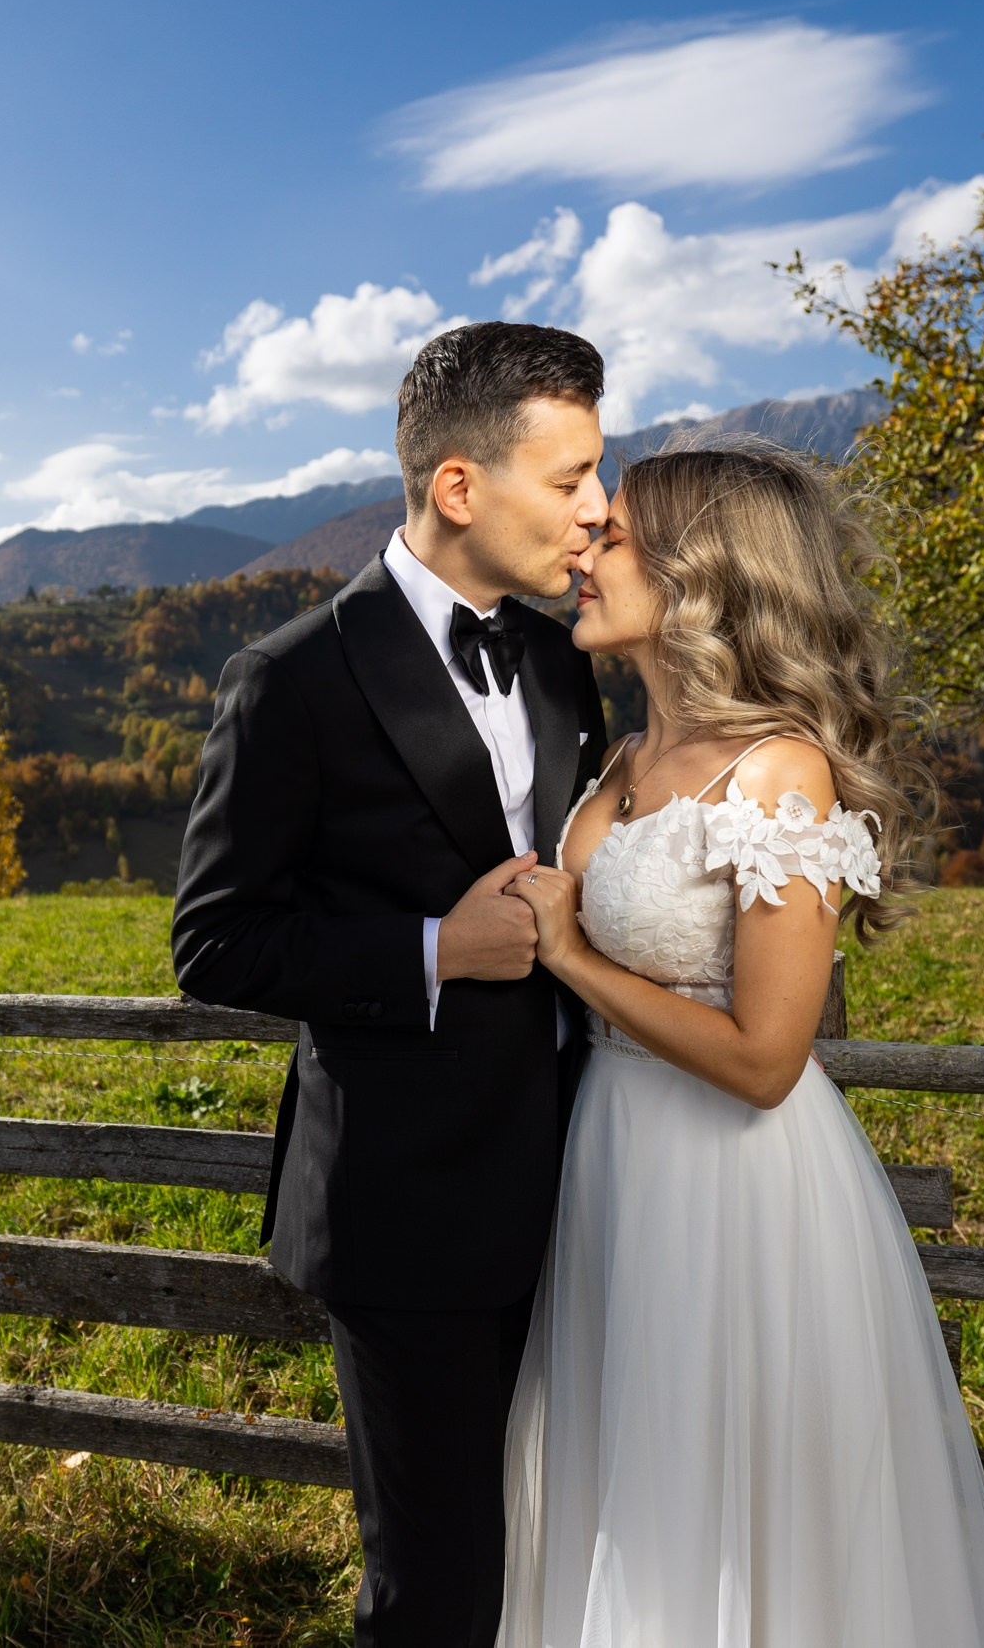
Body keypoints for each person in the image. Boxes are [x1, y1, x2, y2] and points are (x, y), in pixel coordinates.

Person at [495, 440, 984, 1645]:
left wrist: (570, 954)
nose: (583, 547)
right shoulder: (616, 759)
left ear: (700, 575)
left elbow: (765, 1057)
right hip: (608, 1163)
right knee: (619, 1472)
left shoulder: (776, 768)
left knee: (718, 1498)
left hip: (730, 1186)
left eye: (614, 533)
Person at [172, 320, 613, 1647]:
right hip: (410, 1204)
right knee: (435, 1586)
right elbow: (218, 940)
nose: (599, 508)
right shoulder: (291, 680)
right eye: (571, 476)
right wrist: (435, 947)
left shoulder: (556, 655)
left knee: (557, 1534)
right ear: (460, 485)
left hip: (589, 1173)